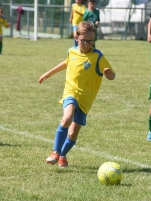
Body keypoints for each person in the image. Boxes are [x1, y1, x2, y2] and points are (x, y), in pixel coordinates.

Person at [39, 21, 115, 168]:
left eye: (91, 41)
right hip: (71, 92)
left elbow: (112, 76)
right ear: (76, 37)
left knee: (73, 134)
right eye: (84, 41)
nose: (87, 44)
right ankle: (55, 152)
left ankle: (62, 155)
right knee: (67, 117)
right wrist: (48, 73)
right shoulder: (71, 51)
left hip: (86, 100)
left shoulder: (97, 56)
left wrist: (108, 74)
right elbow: (66, 62)